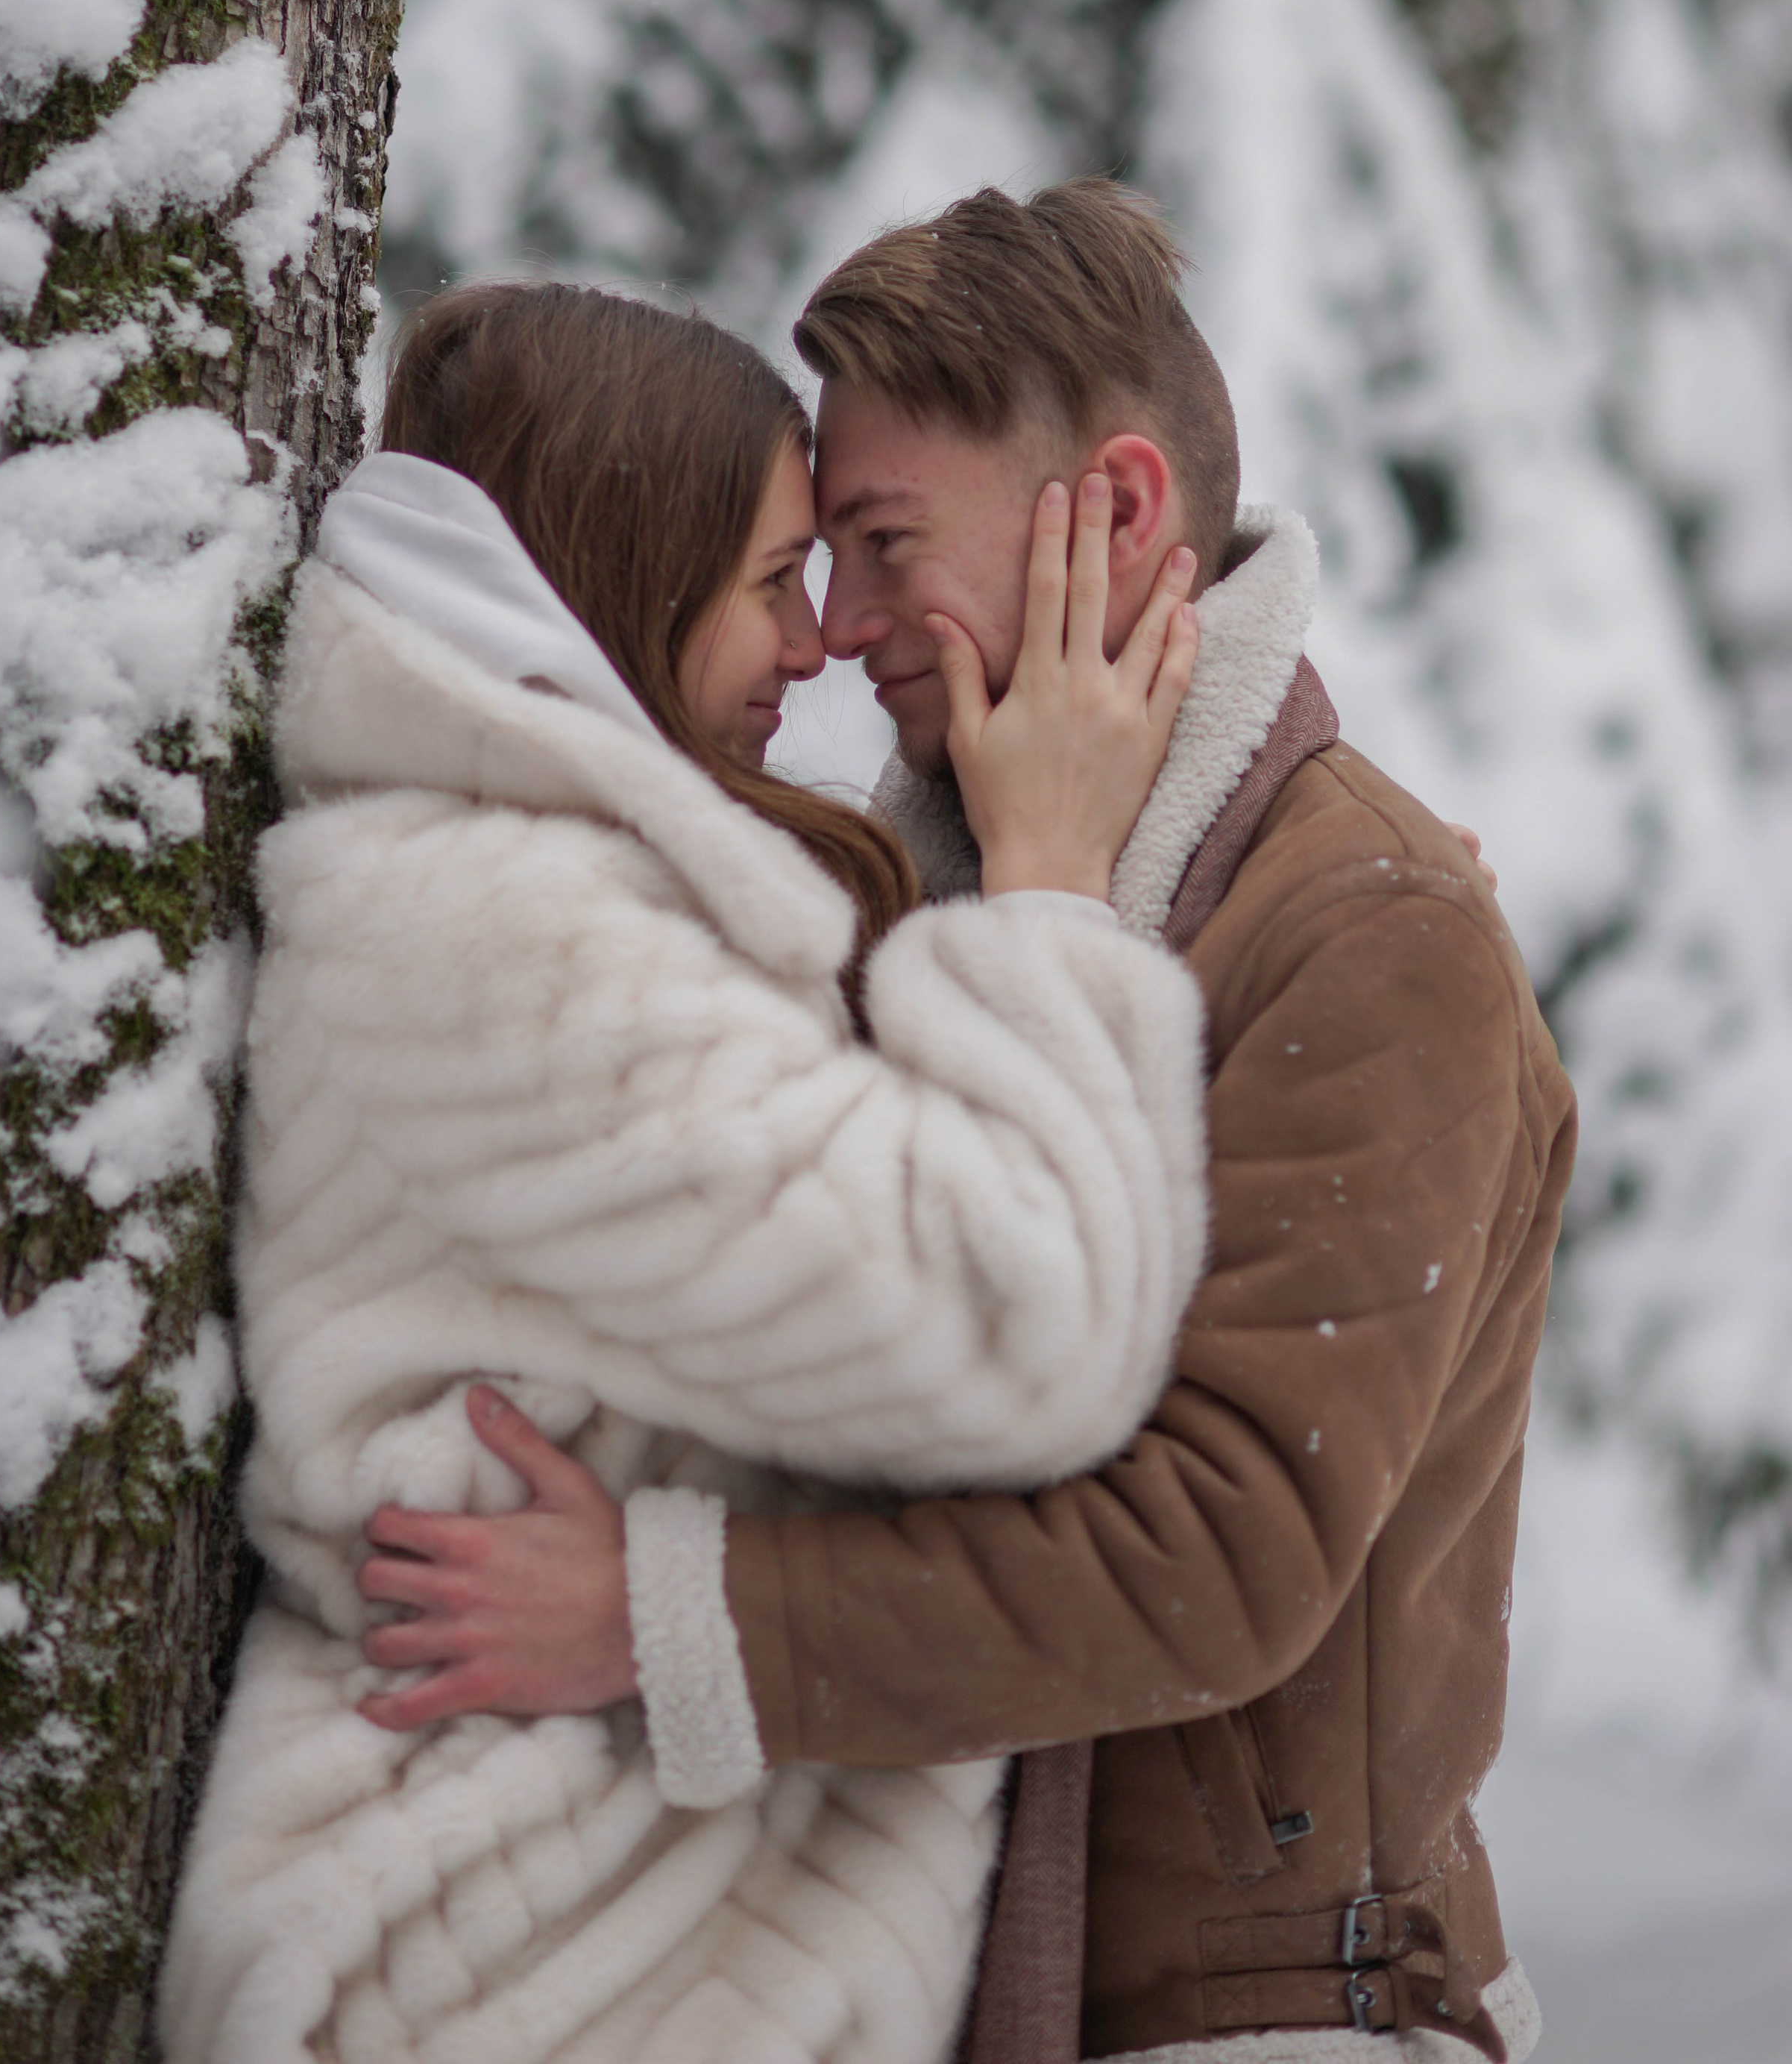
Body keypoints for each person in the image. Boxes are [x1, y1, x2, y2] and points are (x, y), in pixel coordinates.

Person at [364, 184, 1577, 2064]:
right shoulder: (972, 872)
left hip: (1259, 2016)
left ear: (1115, 513)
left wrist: (665, 1620)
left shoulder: (1360, 931)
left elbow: (1218, 1553)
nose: (838, 630)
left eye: (878, 542)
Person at [160, 278, 1213, 2064]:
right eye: (767, 582)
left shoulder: (528, 884)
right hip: (527, 1962)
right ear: (608, 578)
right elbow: (1023, 1320)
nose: (812, 648)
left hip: (575, 1943)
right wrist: (1044, 885)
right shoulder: (509, 940)